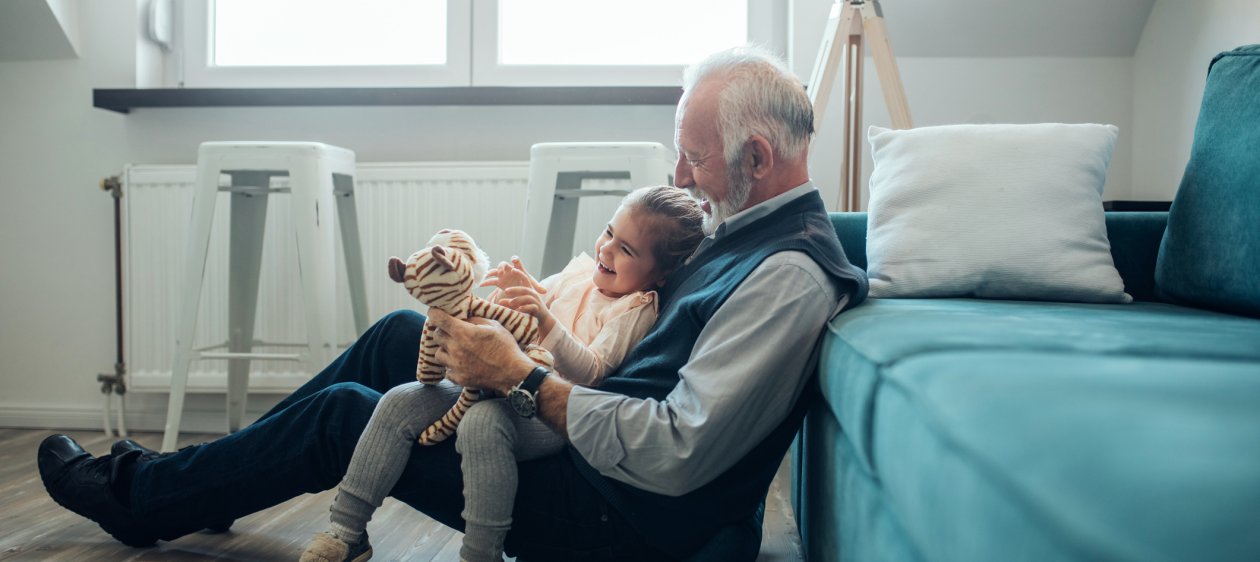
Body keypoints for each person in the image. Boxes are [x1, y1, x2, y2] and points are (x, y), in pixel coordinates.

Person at [37, 44, 868, 561]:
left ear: (756, 156)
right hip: (587, 447)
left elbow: (679, 450)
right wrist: (530, 321)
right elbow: (631, 338)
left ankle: (139, 500)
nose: (680, 177)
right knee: (404, 332)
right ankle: (198, 487)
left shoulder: (786, 276)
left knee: (349, 415)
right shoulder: (744, 226)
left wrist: (526, 381)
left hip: (624, 521)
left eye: (692, 159)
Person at [300, 185, 705, 562]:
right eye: (609, 233)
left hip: (548, 410)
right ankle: (346, 531)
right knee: (399, 400)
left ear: (661, 274)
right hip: (495, 381)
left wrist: (544, 319)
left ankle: (481, 552)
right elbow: (538, 301)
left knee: (483, 423)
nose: (607, 249)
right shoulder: (583, 272)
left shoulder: (636, 307)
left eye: (627, 250)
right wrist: (522, 287)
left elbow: (593, 371)